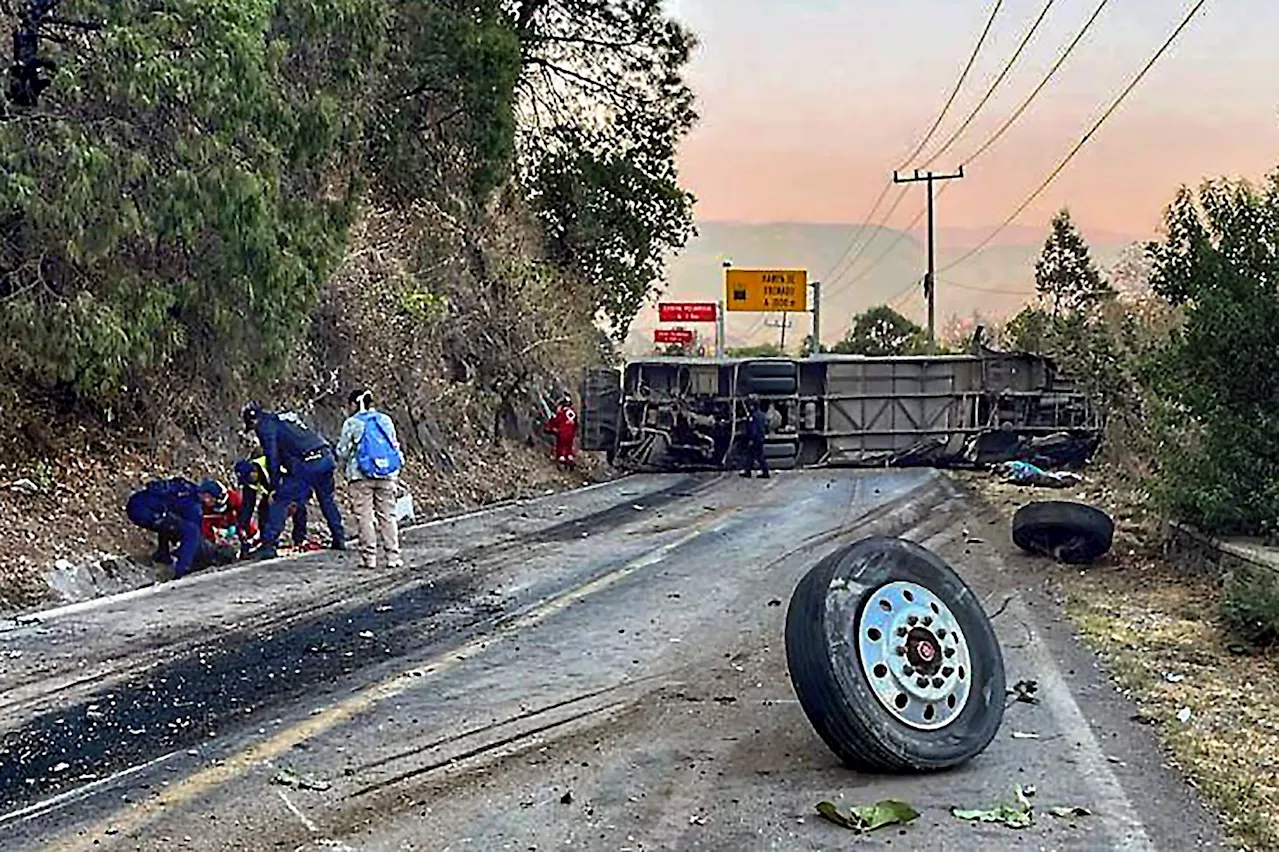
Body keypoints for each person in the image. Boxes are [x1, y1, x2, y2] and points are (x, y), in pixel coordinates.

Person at [241, 402, 345, 560]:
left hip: (307, 462)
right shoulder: (286, 419)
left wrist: (274, 487)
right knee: (326, 499)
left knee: (281, 498)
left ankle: (268, 545)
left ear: (254, 421)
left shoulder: (266, 427)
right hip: (326, 456)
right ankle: (339, 538)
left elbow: (272, 457)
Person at [336, 389, 404, 570]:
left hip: (360, 477)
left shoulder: (352, 423)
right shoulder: (385, 420)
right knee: (388, 515)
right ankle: (393, 556)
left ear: (353, 404)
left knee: (364, 516)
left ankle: (370, 558)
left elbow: (342, 451)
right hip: (387, 474)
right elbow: (394, 445)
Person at [125, 477, 211, 578]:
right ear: (207, 495)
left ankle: (163, 556)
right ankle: (182, 569)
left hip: (136, 503)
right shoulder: (193, 505)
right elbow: (194, 533)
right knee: (191, 532)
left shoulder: (187, 487)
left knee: (170, 523)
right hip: (148, 511)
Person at [233, 455, 308, 558]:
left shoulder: (271, 463)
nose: (249, 483)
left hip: (293, 482)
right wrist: (242, 527)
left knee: (294, 507)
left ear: (253, 472)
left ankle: (299, 539)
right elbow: (248, 505)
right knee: (263, 509)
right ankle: (266, 541)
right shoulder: (250, 479)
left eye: (249, 479)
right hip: (274, 489)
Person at [196, 478, 255, 546]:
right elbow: (205, 525)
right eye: (203, 497)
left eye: (207, 497)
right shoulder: (204, 508)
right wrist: (214, 539)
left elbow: (243, 513)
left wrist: (242, 528)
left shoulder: (232, 498)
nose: (205, 500)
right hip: (219, 530)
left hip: (235, 525)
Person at [543, 393, 578, 466]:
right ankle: (569, 457)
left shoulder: (562, 412)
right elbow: (576, 423)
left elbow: (556, 421)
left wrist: (549, 427)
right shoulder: (573, 412)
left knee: (561, 445)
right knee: (569, 446)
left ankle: (561, 458)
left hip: (563, 431)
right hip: (571, 432)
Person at [740, 396, 770, 480]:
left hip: (755, 438)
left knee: (757, 455)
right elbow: (766, 427)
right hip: (760, 437)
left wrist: (751, 439)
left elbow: (753, 429)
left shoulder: (754, 416)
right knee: (752, 455)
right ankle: (748, 470)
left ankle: (764, 471)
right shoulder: (762, 415)